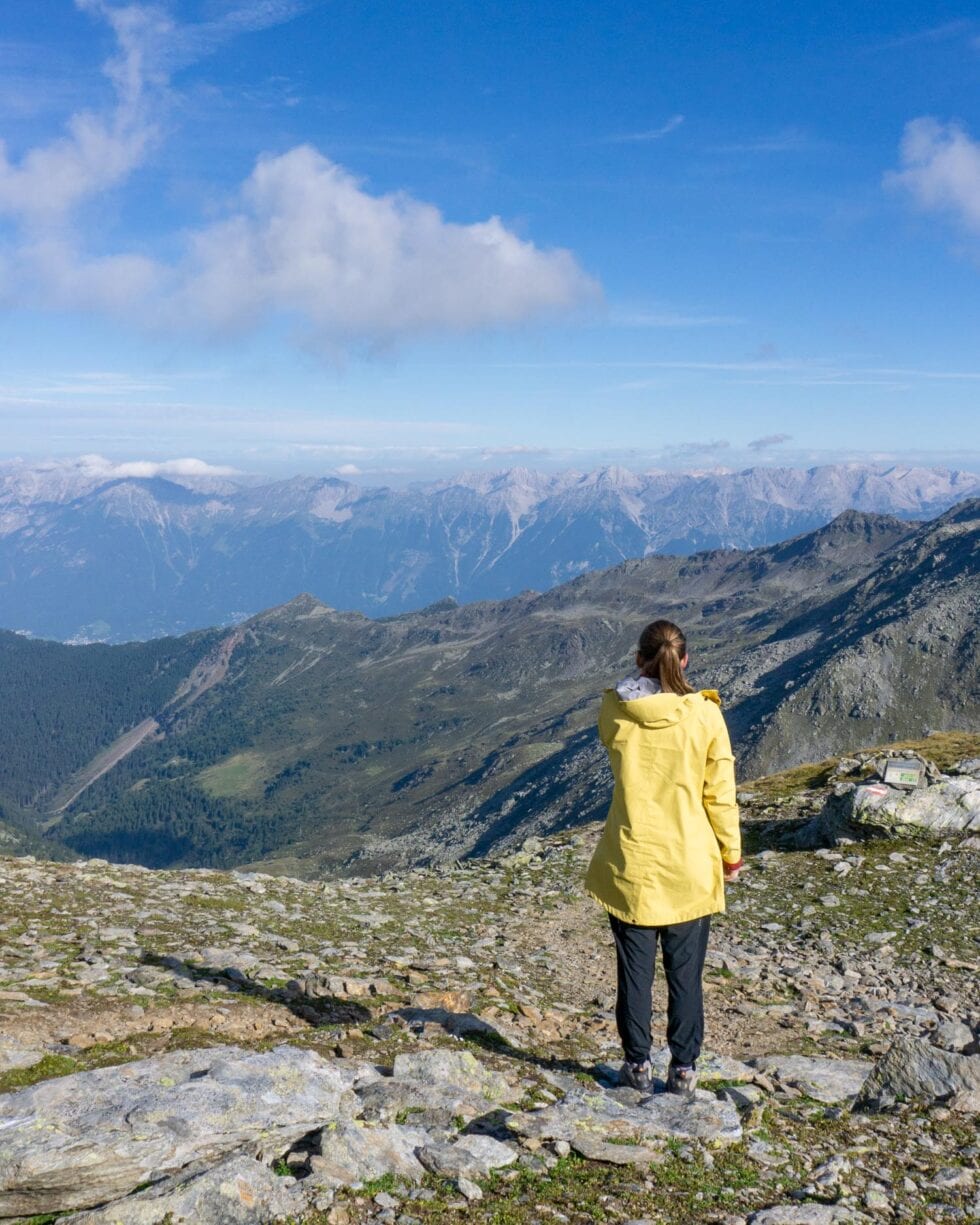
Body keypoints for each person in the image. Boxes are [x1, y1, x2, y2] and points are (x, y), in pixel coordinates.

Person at [585, 619, 742, 1096]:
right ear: (686, 660)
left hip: (632, 861)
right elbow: (720, 793)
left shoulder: (615, 711)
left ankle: (636, 1066)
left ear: (639, 659)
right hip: (689, 865)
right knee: (685, 976)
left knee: (634, 973)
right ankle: (684, 1070)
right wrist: (731, 856)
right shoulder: (705, 716)